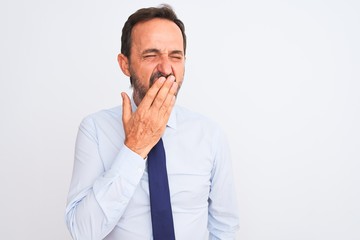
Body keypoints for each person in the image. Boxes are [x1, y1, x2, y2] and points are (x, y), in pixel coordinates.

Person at [65, 4, 239, 240]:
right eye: (150, 55)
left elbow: (224, 229)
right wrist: (135, 148)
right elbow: (82, 232)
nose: (166, 68)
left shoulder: (210, 134)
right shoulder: (95, 130)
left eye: (175, 56)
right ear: (124, 64)